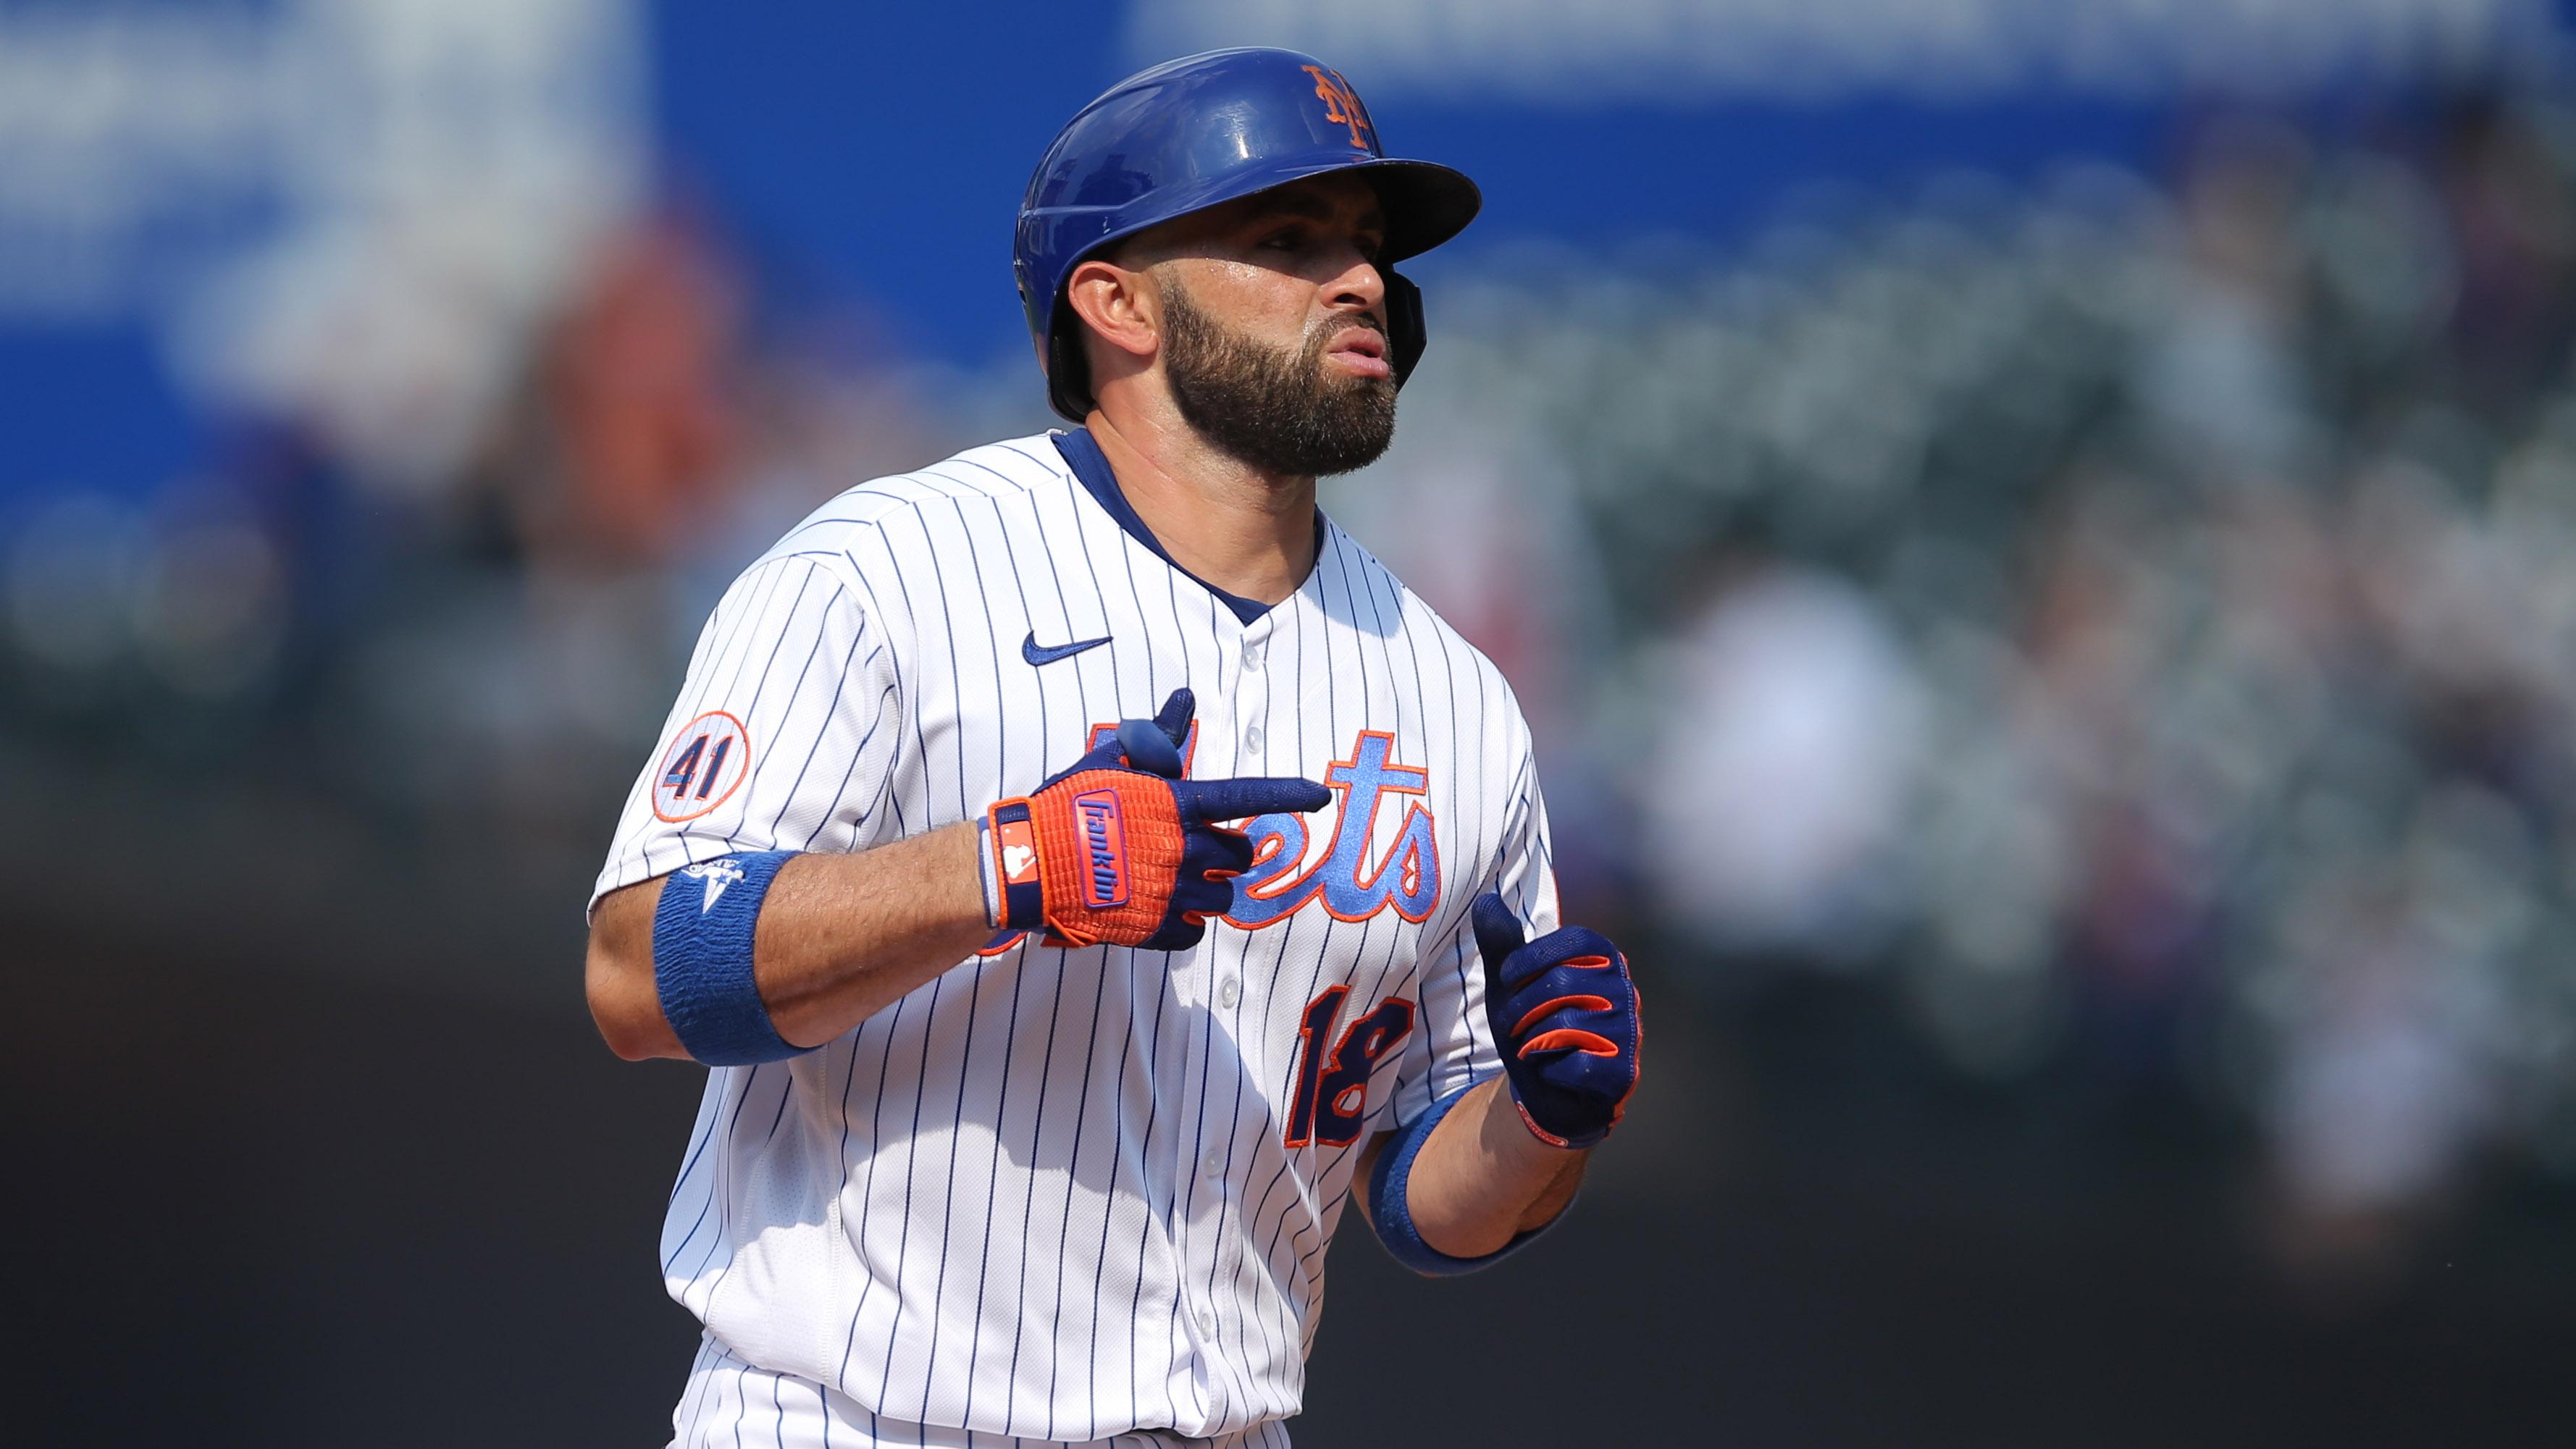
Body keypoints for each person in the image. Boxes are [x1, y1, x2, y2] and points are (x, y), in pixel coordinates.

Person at [583, 48, 1642, 1448]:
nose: (1361, 282)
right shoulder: (890, 568)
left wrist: (1543, 1122)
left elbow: (1417, 1201)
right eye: (1287, 240)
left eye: (1369, 249)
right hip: (851, 1418)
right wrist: (1015, 866)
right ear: (1116, 299)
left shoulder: (1456, 703)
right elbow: (638, 971)